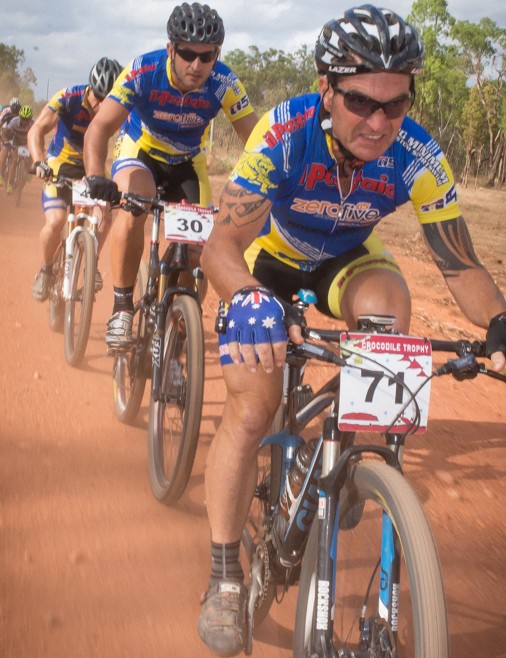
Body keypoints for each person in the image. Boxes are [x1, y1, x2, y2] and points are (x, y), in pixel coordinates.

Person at [197, 5, 506, 656]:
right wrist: (248, 299)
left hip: (348, 258)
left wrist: (500, 320)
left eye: (395, 106)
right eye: (361, 101)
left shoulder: (418, 153)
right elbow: (220, 243)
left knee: (390, 311)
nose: (378, 123)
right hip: (267, 262)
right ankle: (225, 575)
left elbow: (462, 265)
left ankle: (341, 449)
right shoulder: (284, 132)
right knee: (251, 409)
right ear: (326, 90)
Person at [83, 2, 258, 350]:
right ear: (170, 49)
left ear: (217, 55)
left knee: (200, 255)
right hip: (141, 152)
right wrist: (94, 175)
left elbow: (256, 143)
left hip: (188, 161)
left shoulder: (224, 81)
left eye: (206, 57)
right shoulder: (143, 70)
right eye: (188, 54)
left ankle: (176, 334)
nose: (196, 65)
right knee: (135, 205)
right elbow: (99, 126)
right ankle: (121, 308)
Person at [27, 57, 122, 302]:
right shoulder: (68, 97)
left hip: (91, 170)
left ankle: (93, 262)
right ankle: (46, 271)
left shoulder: (119, 108)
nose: (102, 105)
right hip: (59, 167)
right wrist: (39, 161)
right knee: (57, 220)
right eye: (98, 97)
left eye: (107, 100)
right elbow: (37, 129)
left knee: (105, 214)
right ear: (90, 89)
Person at [0, 105, 34, 193]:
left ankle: (27, 172)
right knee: (14, 160)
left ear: (30, 119)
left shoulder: (33, 124)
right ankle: (10, 184)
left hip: (25, 141)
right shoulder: (14, 122)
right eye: (23, 119)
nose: (25, 121)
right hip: (14, 140)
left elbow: (37, 137)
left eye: (27, 119)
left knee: (32, 155)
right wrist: (6, 142)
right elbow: (4, 133)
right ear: (20, 117)